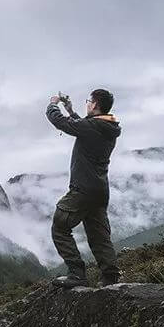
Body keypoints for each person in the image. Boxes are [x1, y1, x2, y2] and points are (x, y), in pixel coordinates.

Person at [46, 88, 121, 288]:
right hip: (100, 190)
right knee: (99, 236)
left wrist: (53, 104)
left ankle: (77, 274)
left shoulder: (92, 126)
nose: (87, 103)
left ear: (95, 104)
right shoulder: (108, 127)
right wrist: (71, 111)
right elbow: (84, 126)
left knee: (60, 226)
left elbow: (60, 123)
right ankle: (110, 277)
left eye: (89, 101)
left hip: (83, 189)